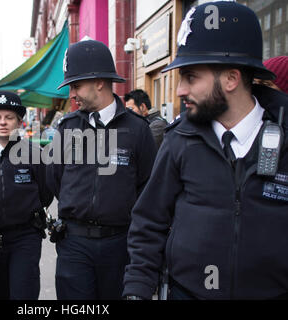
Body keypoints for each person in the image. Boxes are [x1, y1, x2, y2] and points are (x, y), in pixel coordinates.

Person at [123, 1, 288, 300]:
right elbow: (149, 224)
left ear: (231, 79)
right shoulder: (179, 140)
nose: (179, 91)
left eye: (191, 77)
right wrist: (136, 291)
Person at [47, 39, 157, 300]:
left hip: (119, 246)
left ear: (98, 81)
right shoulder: (67, 127)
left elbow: (147, 187)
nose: (71, 94)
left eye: (76, 86)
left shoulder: (138, 130)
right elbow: (56, 180)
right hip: (73, 245)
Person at [0, 91, 53, 300]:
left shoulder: (34, 153)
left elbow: (46, 192)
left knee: (23, 293)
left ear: (19, 121)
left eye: (9, 118)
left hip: (25, 237)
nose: (2, 123)